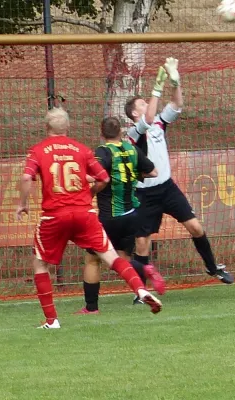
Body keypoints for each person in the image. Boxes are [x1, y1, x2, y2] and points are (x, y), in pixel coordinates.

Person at [16, 107, 162, 329]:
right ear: (68, 127)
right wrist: (87, 193)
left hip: (55, 216)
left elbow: (27, 177)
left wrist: (23, 204)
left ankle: (51, 320)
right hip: (85, 214)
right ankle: (140, 290)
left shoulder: (38, 150)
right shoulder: (81, 149)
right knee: (112, 257)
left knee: (40, 264)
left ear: (47, 128)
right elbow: (102, 178)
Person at [125, 57, 234, 284]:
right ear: (134, 114)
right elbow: (146, 120)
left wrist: (175, 84)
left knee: (195, 227)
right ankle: (141, 291)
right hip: (144, 193)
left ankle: (213, 268)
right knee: (142, 242)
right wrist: (156, 88)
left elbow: (176, 106)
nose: (148, 105)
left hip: (167, 188)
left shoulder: (159, 124)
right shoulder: (134, 131)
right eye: (143, 104)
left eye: (147, 102)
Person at [76, 116, 166, 314]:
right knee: (122, 260)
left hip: (110, 215)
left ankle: (91, 308)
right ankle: (144, 269)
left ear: (102, 132)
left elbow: (98, 177)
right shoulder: (132, 149)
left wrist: (86, 187)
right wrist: (132, 175)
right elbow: (153, 172)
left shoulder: (103, 151)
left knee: (93, 259)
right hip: (131, 214)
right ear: (120, 133)